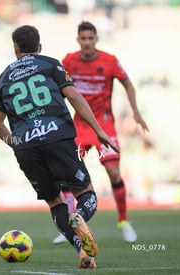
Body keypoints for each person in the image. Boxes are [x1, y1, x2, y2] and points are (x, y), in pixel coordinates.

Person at [0, 25, 119, 269]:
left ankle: (83, 253)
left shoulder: (4, 77)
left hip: (25, 145)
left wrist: (17, 143)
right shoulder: (50, 64)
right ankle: (80, 216)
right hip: (56, 136)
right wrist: (99, 130)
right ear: (39, 47)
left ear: (15, 49)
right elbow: (73, 96)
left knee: (55, 202)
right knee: (86, 192)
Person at [56, 21, 149, 244]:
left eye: (91, 38)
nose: (87, 42)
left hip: (104, 124)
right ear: (78, 40)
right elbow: (56, 86)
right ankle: (70, 226)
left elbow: (128, 84)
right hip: (79, 125)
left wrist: (135, 112)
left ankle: (124, 221)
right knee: (68, 175)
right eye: (83, 38)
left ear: (96, 39)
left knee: (114, 173)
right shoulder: (69, 61)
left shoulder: (110, 61)